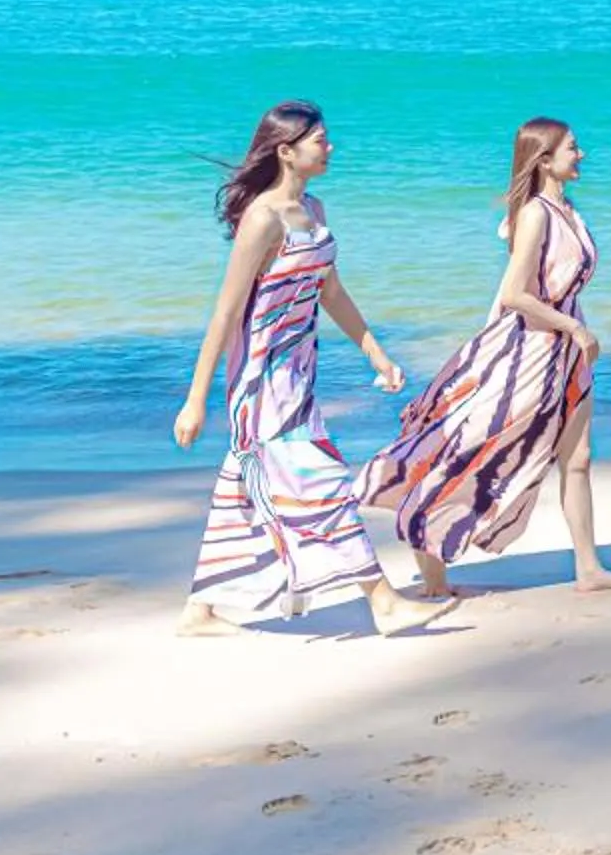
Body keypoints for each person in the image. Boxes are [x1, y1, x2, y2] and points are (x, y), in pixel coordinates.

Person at [174, 101, 450, 636]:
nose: (331, 147)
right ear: (286, 151)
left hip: (298, 373)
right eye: (320, 139)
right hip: (261, 379)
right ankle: (382, 599)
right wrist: (195, 399)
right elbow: (227, 312)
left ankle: (199, 610)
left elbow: (331, 290)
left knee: (245, 482)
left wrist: (374, 349)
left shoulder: (315, 210)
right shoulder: (263, 218)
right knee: (318, 475)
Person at [359, 117, 611, 596]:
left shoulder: (570, 210)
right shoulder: (535, 214)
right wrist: (574, 327)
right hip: (532, 353)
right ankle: (427, 550)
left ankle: (589, 570)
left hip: (566, 357)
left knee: (577, 459)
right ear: (545, 160)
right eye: (573, 148)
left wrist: (574, 334)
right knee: (471, 447)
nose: (583, 155)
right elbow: (516, 294)